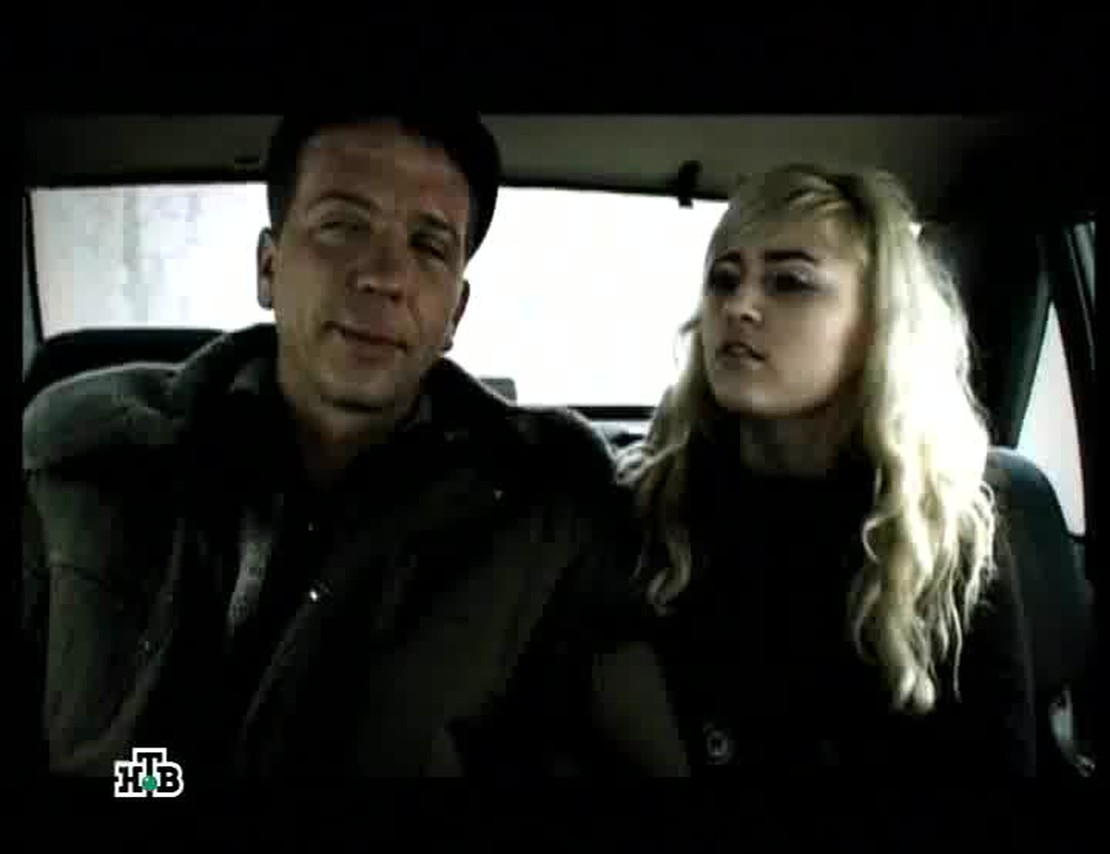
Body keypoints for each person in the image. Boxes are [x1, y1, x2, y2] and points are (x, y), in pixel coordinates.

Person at [21, 114, 635, 781]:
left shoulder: (546, 507)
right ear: (269, 267)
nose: (385, 277)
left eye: (429, 246)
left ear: (455, 313)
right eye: (343, 225)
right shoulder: (80, 458)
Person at [601, 164, 1037, 777]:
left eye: (790, 282)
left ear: (875, 327)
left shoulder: (941, 536)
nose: (738, 306)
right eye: (724, 279)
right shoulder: (646, 505)